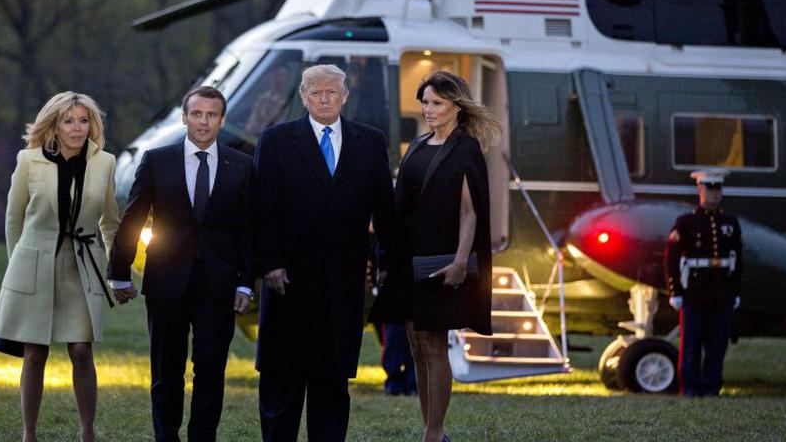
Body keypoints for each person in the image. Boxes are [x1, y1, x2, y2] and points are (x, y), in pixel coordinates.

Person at [253, 64, 396, 442]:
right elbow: (262, 208)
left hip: (343, 282)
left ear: (345, 96)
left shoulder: (369, 141)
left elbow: (384, 207)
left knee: (332, 384)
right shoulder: (276, 140)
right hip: (288, 281)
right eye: (316, 92)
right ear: (302, 97)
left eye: (332, 91)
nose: (324, 98)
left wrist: (384, 262)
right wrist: (270, 263)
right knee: (282, 382)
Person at [108, 86, 255, 442]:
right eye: (197, 114)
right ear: (184, 117)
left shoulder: (243, 166)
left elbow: (250, 229)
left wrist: (245, 282)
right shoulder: (157, 160)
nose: (203, 121)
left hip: (219, 284)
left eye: (211, 115)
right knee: (166, 369)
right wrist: (118, 272)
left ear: (222, 120)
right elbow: (133, 219)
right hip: (166, 281)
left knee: (210, 368)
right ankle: (166, 437)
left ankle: (202, 437)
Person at [370, 71, 499, 442]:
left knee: (433, 341)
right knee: (414, 342)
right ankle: (433, 431)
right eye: (425, 102)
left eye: (436, 103)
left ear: (456, 106)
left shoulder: (465, 148)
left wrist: (461, 262)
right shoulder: (418, 144)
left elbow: (470, 213)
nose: (428, 109)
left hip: (442, 259)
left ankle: (433, 432)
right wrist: (386, 257)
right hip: (408, 257)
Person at [0, 91, 120, 442]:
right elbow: (13, 220)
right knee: (35, 351)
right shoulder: (28, 160)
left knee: (81, 349)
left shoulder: (104, 162)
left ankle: (87, 431)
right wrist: (18, 270)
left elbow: (110, 222)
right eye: (68, 121)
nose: (77, 128)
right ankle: (29, 433)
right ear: (54, 125)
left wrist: (117, 271)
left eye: (83, 120)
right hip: (34, 263)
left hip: (83, 265)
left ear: (92, 124)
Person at [664, 169, 743, 397]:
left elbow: (737, 260)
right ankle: (690, 388)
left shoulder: (730, 223)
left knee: (717, 342)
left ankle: (711, 386)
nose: (714, 194)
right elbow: (672, 258)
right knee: (692, 342)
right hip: (695, 291)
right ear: (700, 189)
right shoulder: (686, 222)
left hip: (722, 291)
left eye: (717, 189)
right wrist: (675, 290)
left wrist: (735, 291)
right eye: (710, 189)